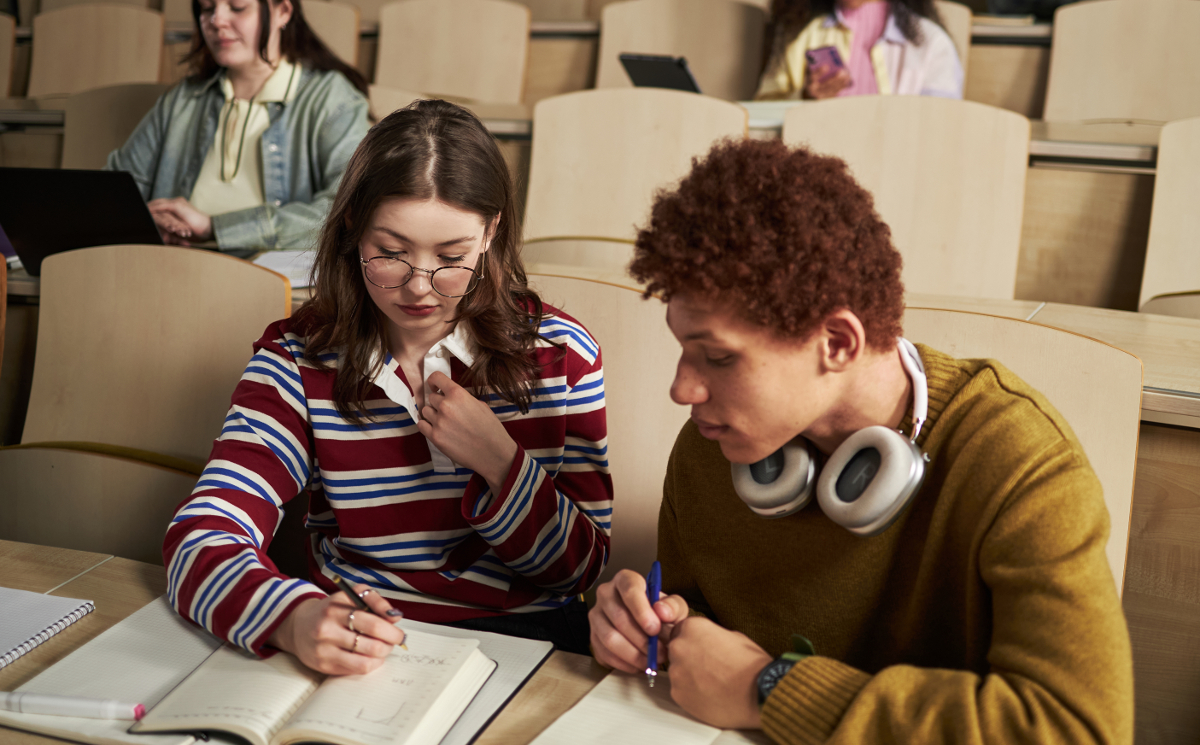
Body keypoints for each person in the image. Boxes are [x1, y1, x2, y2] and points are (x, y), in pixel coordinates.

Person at [588, 138, 1133, 744]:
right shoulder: (715, 443)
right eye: (684, 350)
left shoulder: (1017, 460)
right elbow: (697, 627)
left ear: (838, 344)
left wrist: (771, 689)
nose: (683, 389)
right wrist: (651, 628)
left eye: (717, 357)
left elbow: (1081, 729)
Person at [164, 100, 612, 675]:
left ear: (491, 234)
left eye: (452, 257)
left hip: (528, 642)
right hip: (365, 640)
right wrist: (290, 617)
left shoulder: (564, 354)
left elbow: (582, 570)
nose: (419, 288)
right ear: (352, 227)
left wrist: (503, 465)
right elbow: (201, 536)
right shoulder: (295, 359)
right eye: (391, 254)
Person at [106, 0, 370, 250]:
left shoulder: (332, 98)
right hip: (173, 266)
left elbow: (346, 207)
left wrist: (215, 228)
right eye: (207, 8)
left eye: (237, 7)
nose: (216, 20)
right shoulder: (182, 99)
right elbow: (114, 193)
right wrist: (146, 218)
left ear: (283, 11)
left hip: (268, 278)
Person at [756, 0, 963, 100]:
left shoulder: (932, 42)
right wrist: (804, 99)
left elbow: (942, 127)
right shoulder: (803, 35)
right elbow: (761, 109)